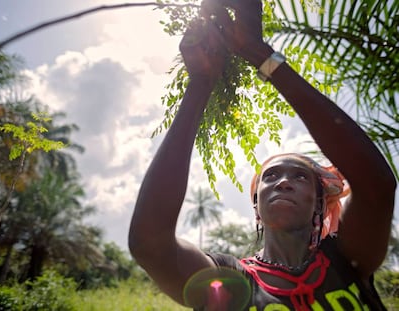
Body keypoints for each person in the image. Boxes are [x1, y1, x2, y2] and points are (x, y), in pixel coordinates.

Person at [128, 0, 397, 309]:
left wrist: (262, 56)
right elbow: (150, 245)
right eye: (271, 176)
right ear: (256, 206)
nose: (283, 182)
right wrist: (201, 83)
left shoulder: (348, 260)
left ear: (320, 203)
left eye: (300, 177)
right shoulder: (231, 281)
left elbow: (378, 185)